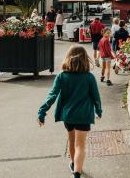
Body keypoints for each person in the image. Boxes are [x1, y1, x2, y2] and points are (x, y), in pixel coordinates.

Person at [37, 45, 102, 178]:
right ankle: (77, 172)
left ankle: (73, 163)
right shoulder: (89, 77)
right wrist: (98, 111)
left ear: (68, 58)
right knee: (81, 145)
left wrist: (42, 112)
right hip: (84, 115)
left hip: (68, 115)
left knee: (72, 141)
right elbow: (96, 97)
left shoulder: (62, 76)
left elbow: (52, 95)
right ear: (85, 59)